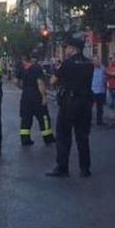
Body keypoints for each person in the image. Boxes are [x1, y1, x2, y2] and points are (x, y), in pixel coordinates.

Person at [47, 36, 95, 178]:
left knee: (63, 136)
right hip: (85, 103)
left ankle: (62, 168)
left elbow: (53, 80)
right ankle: (85, 169)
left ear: (73, 48)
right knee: (83, 136)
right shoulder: (89, 64)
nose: (66, 49)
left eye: (67, 47)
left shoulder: (67, 64)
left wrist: (57, 69)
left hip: (69, 103)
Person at [15, 53, 55, 146]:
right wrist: (44, 97)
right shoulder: (37, 68)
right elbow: (40, 82)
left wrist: (22, 88)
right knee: (43, 117)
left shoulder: (21, 69)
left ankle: (25, 139)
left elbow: (16, 81)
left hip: (25, 96)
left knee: (26, 118)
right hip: (36, 96)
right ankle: (48, 138)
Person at [91, 56, 107, 126]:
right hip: (92, 90)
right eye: (95, 60)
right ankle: (88, 120)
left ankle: (99, 121)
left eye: (97, 60)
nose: (96, 62)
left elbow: (106, 76)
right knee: (89, 107)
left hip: (101, 90)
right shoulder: (90, 69)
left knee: (100, 108)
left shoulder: (103, 68)